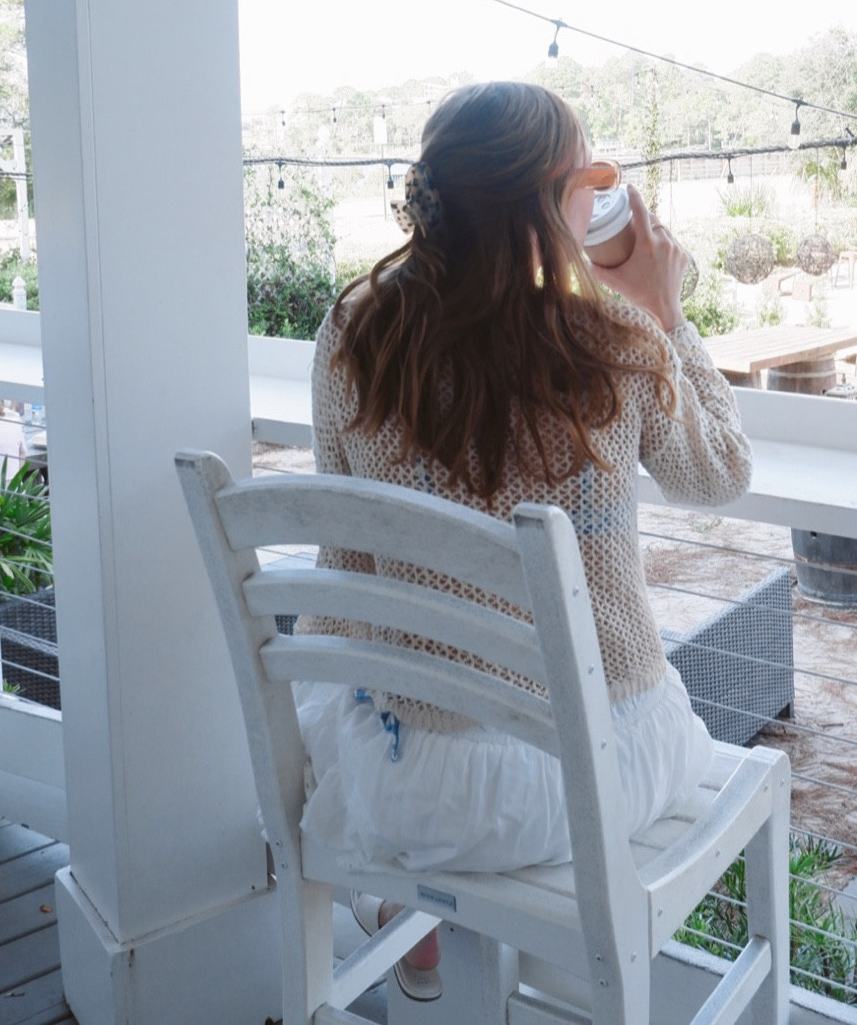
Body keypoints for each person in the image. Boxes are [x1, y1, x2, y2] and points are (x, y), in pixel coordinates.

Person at [294, 81, 752, 998]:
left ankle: (395, 907)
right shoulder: (615, 341)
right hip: (603, 783)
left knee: (340, 704)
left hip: (426, 789)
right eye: (591, 180)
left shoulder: (352, 335)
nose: (602, 197)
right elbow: (721, 475)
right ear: (550, 204)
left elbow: (343, 562)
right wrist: (668, 316)